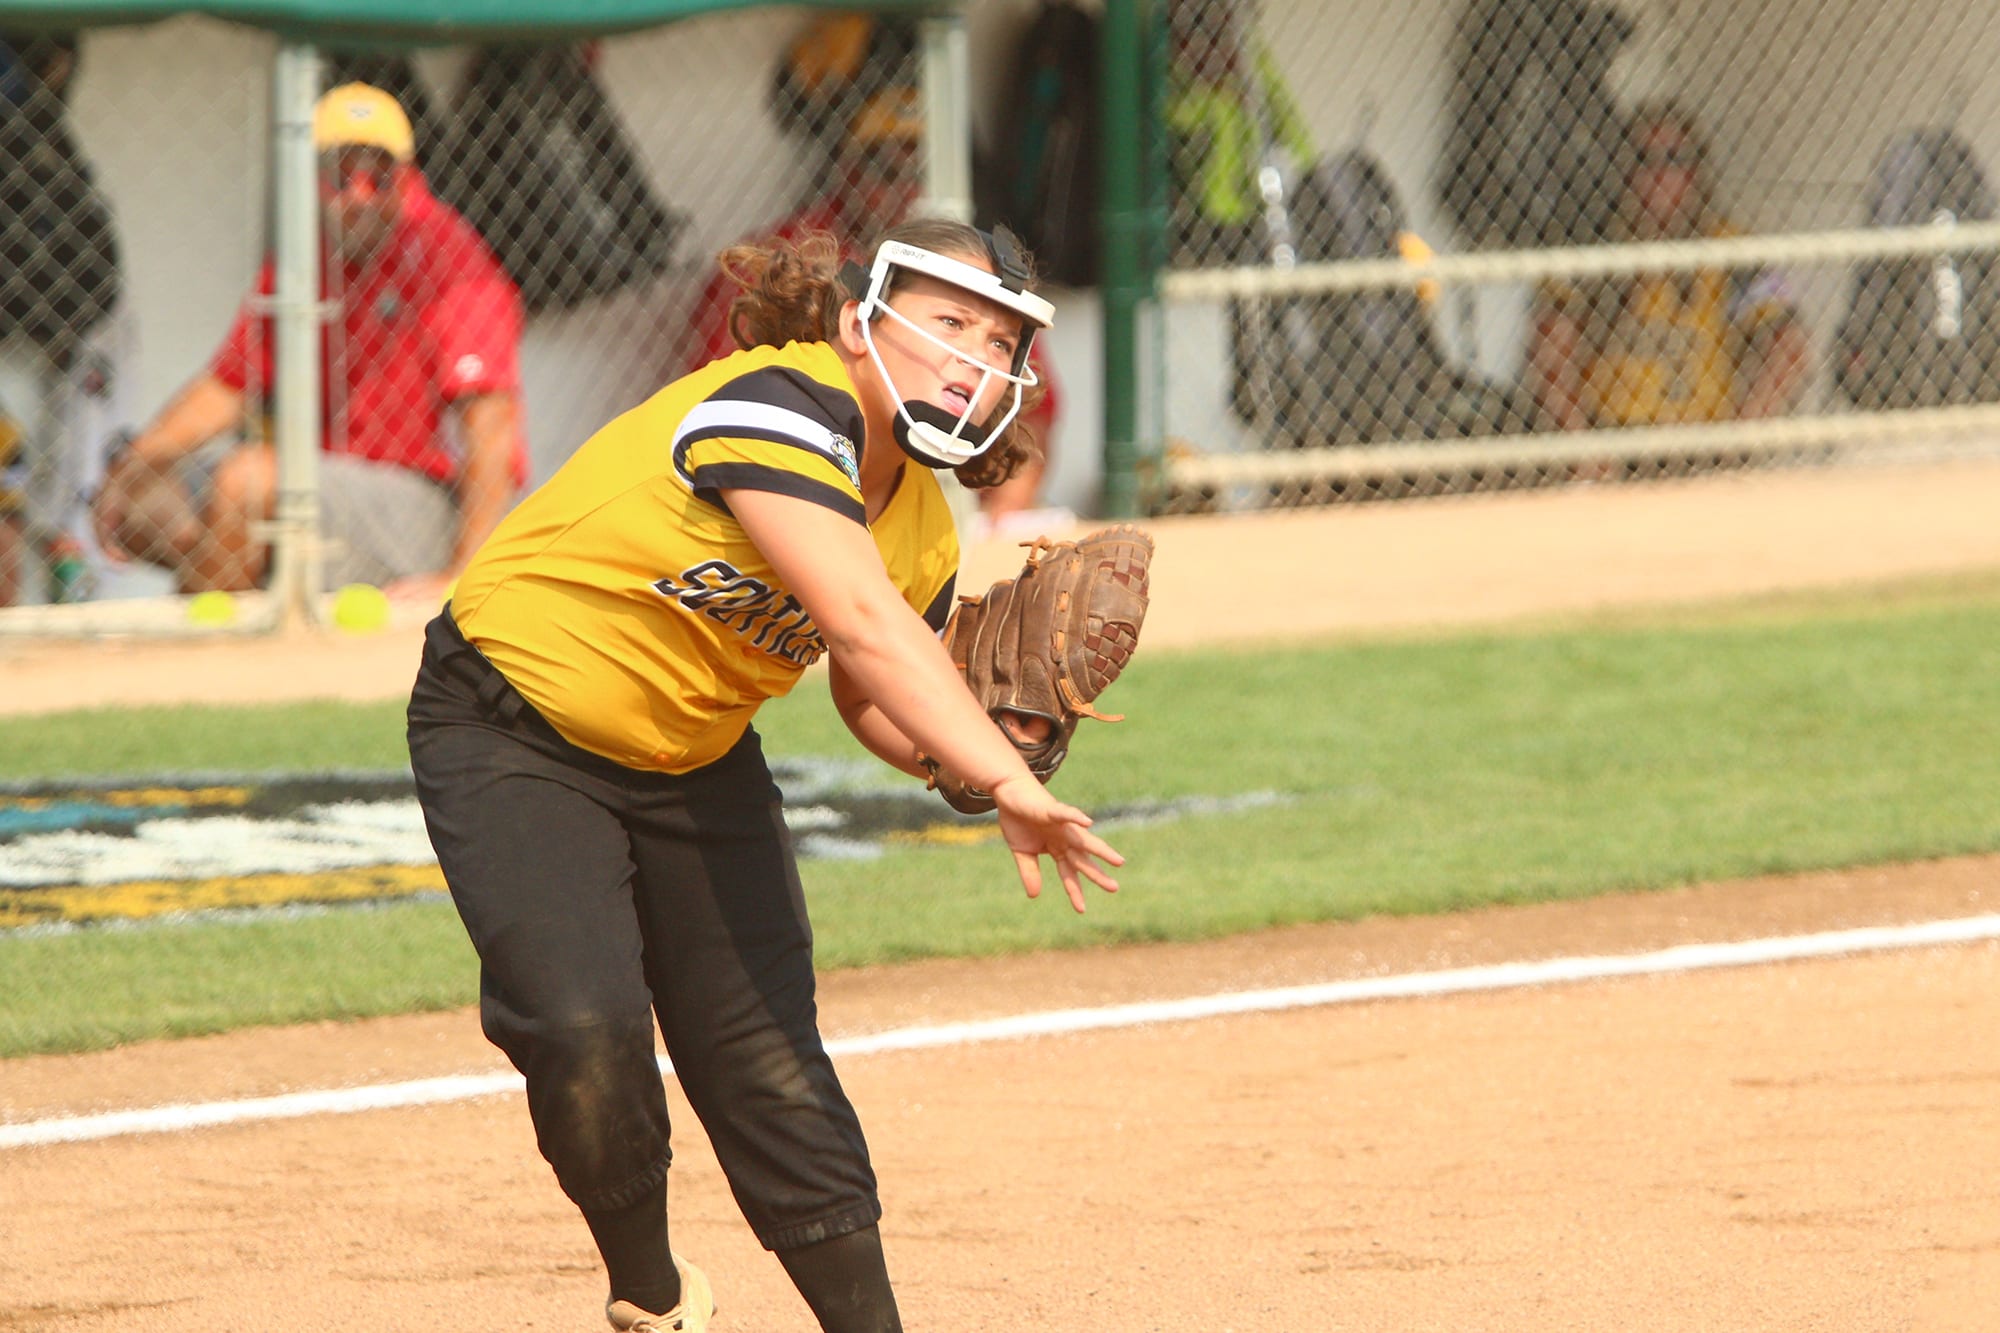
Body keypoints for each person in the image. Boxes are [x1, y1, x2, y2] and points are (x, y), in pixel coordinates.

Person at [406, 217, 1122, 1333]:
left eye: (999, 340)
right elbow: (858, 622)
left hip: (692, 756)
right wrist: (1006, 777)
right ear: (856, 321)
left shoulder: (922, 526)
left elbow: (864, 691)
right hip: (511, 723)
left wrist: (989, 754)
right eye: (947, 323)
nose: (975, 358)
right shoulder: (772, 404)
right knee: (583, 1030)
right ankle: (650, 1295)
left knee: (767, 1061)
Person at [90, 82, 526, 602]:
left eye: (380, 178)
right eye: (341, 178)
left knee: (247, 482)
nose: (360, 197)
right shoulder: (307, 254)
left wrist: (463, 576)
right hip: (319, 488)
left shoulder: (450, 258)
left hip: (425, 506)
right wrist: (132, 465)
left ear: (408, 180)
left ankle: (210, 657)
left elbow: (491, 426)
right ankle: (252, 619)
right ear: (314, 182)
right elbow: (230, 387)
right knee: (145, 502)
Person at [680, 80, 1061, 532]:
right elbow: (721, 394)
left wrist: (1000, 524)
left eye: (923, 165)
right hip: (777, 481)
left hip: (920, 496)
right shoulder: (792, 249)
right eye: (885, 166)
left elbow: (1030, 416)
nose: (907, 185)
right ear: (847, 170)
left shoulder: (974, 273)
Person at [1525, 101, 1812, 432]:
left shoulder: (1728, 248)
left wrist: (1741, 438)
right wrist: (1581, 446)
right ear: (1624, 171)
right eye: (1644, 160)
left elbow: (1789, 342)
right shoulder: (1595, 247)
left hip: (1699, 435)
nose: (1658, 175)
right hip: (1611, 433)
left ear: (1695, 173)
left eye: (1674, 159)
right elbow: (1550, 340)